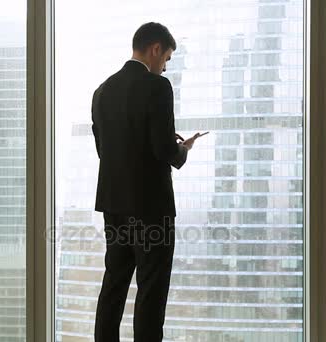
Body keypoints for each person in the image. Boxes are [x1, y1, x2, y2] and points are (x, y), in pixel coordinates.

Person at [91, 22, 207, 342]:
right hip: (151, 209)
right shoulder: (158, 87)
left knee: (113, 287)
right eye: (166, 58)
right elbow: (164, 151)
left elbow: (107, 150)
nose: (165, 65)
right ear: (155, 49)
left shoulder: (102, 91)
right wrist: (183, 149)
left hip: (114, 205)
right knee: (151, 292)